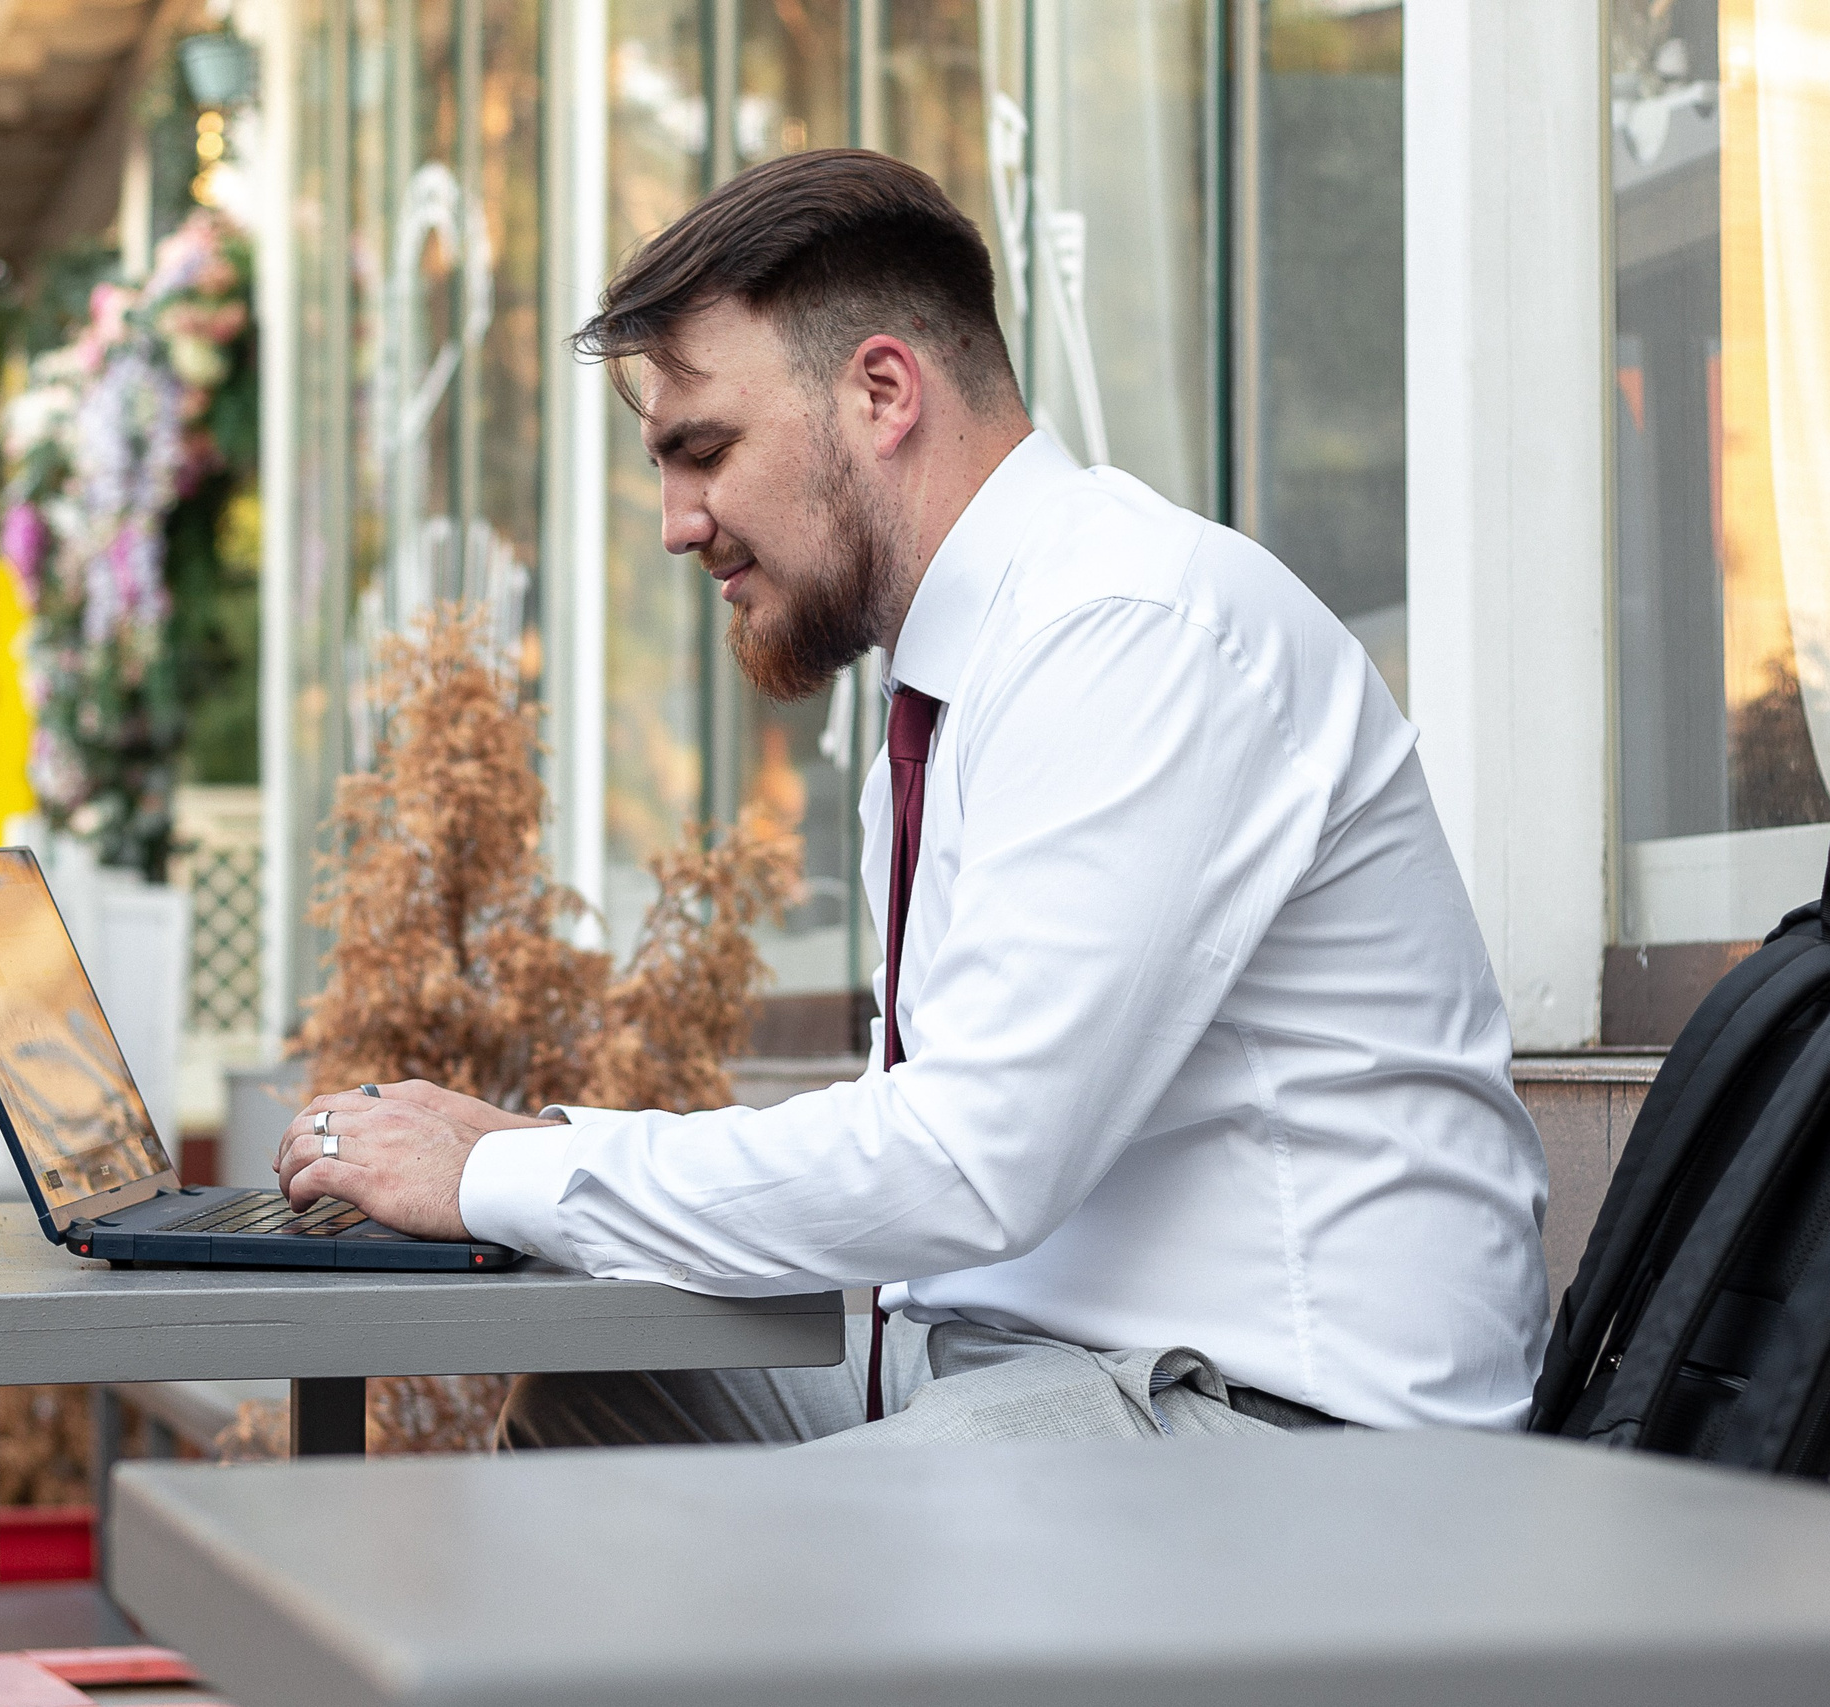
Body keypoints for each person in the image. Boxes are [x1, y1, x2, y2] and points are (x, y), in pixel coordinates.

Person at [276, 149, 1550, 1449]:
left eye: (702, 449)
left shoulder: (1129, 631)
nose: (676, 520)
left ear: (883, 390)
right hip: (1057, 1372)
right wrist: (539, 1145)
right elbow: (928, 1149)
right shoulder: (973, 664)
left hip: (1295, 1433)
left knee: (827, 1530)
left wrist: (502, 1173)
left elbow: (964, 1158)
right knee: (614, 1398)